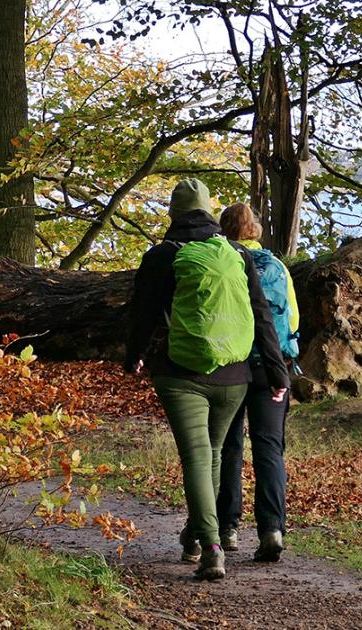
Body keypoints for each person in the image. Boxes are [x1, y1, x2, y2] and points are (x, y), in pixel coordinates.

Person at [124, 180, 289, 580]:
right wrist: (276, 370)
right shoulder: (234, 253)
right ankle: (197, 532)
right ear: (209, 213)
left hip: (181, 374)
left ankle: (211, 547)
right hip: (235, 375)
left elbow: (143, 312)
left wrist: (134, 356)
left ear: (173, 213)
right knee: (212, 453)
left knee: (198, 455)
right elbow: (262, 315)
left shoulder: (163, 255)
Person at [215, 202, 299, 562]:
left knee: (229, 445)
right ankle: (272, 528)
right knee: (269, 447)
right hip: (272, 366)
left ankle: (227, 528)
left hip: (233, 366)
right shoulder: (277, 267)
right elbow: (291, 317)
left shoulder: (222, 262)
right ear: (255, 231)